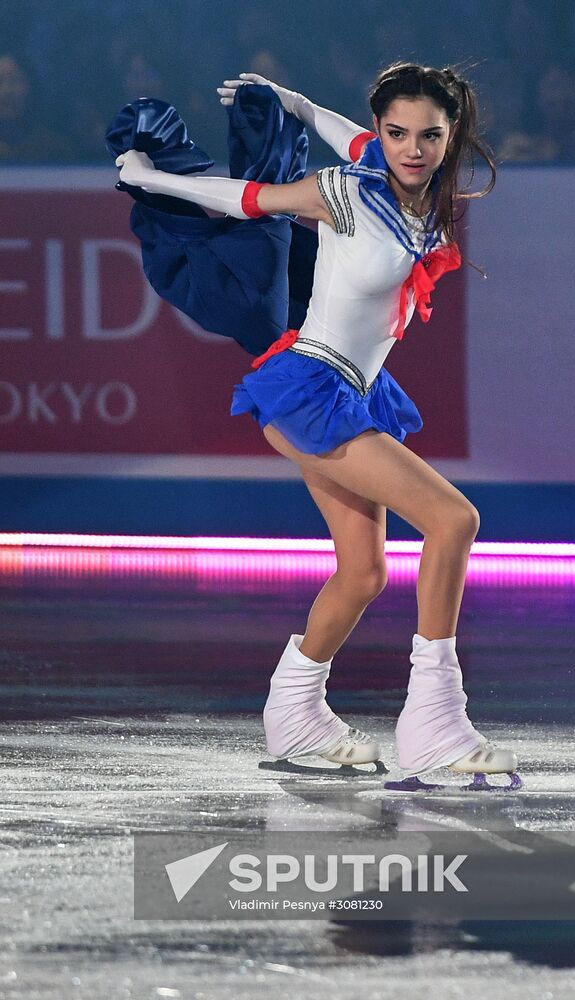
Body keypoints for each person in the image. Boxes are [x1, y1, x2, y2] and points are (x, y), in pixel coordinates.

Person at [115, 61, 520, 786]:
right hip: (309, 390)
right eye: (396, 133)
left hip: (352, 394)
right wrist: (152, 179)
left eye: (428, 135)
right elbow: (247, 200)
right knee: (454, 521)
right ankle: (434, 725)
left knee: (363, 573)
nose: (411, 148)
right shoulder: (347, 192)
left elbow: (350, 134)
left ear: (450, 135)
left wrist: (300, 104)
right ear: (384, 133)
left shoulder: (416, 191)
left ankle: (295, 716)